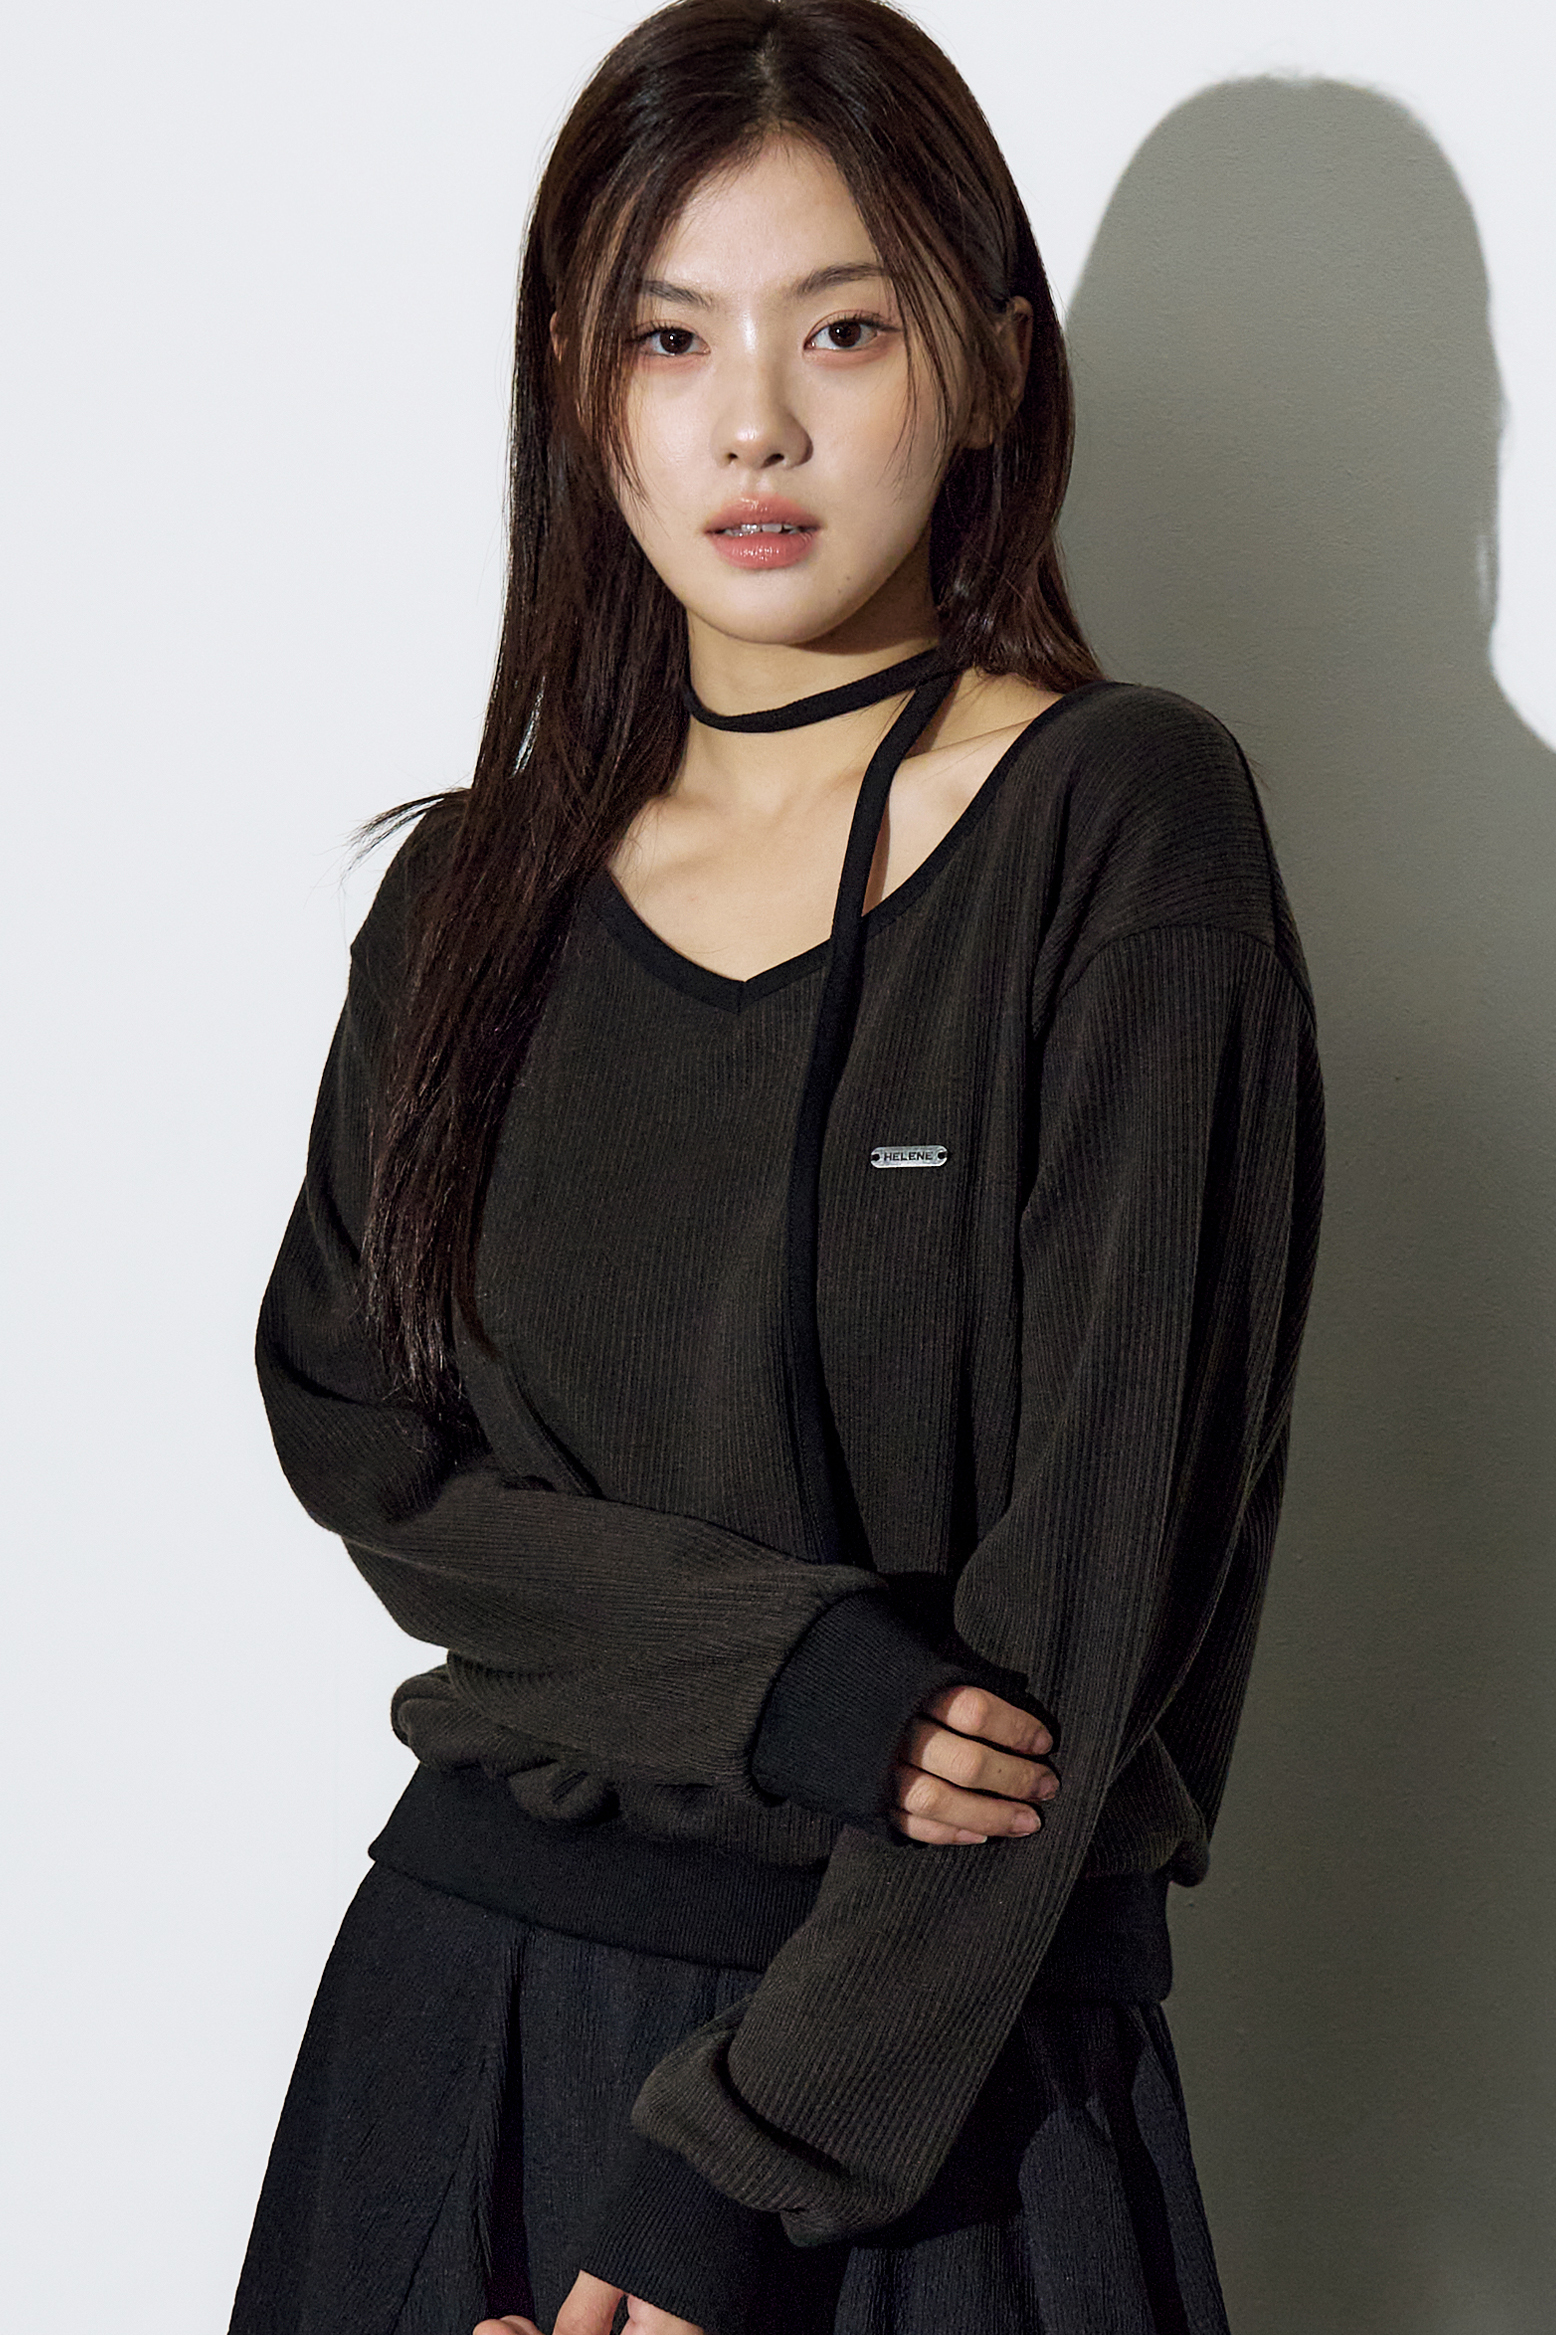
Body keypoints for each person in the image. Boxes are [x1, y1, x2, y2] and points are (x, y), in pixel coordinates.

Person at [226, 3, 1323, 2332]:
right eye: (667, 336)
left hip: (925, 2084)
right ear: (574, 383)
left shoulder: (1121, 829)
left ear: (991, 367)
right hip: (465, 2029)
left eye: (841, 328)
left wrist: (739, 2171)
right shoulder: (467, 897)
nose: (752, 422)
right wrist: (784, 1670)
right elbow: (361, 1438)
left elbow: (1093, 1600)